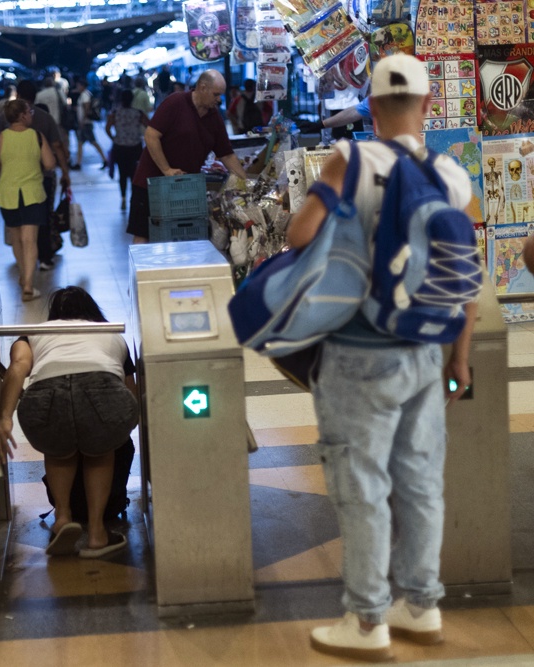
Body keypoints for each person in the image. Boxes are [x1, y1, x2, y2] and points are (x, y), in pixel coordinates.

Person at [285, 54, 477, 663]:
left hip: (357, 353)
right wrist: (460, 359)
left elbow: (297, 235)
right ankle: (421, 605)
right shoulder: (451, 174)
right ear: (426, 106)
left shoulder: (352, 160)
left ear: (370, 108)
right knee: (420, 481)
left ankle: (367, 619)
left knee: (361, 484)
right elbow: (466, 279)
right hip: (425, 351)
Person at [0, 286, 138, 558]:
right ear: (92, 311)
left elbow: (18, 367)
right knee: (100, 452)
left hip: (46, 394)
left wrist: (4, 418)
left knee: (58, 451)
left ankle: (62, 517)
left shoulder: (35, 334)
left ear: (54, 314)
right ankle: (96, 535)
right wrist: (114, 428)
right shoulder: (110, 332)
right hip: (102, 387)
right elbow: (131, 393)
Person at [126, 70, 249, 244]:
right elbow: (151, 135)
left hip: (183, 188)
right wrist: (166, 170)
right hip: (150, 184)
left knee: (180, 237)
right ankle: (141, 272)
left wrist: (247, 183)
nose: (219, 99)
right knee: (143, 234)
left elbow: (226, 154)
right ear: (202, 87)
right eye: (216, 94)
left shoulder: (214, 118)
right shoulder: (175, 102)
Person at [0, 99, 56, 302]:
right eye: (29, 111)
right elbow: (49, 164)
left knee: (16, 239)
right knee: (30, 239)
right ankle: (29, 285)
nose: (31, 115)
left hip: (8, 194)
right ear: (22, 115)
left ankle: (24, 275)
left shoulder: (0, 138)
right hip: (33, 193)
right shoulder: (36, 136)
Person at [0, 80, 72, 271]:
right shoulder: (45, 118)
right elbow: (58, 147)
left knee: (18, 224)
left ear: (18, 94)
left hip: (11, 179)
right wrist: (65, 172)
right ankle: (44, 256)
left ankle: (24, 264)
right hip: (43, 177)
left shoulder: (7, 119)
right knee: (43, 217)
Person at [105, 88, 149, 211]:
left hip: (120, 147)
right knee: (135, 174)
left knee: (122, 174)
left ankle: (123, 198)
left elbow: (107, 128)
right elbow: (150, 126)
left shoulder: (115, 113)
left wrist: (114, 138)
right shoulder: (138, 113)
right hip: (135, 148)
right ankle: (134, 199)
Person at [73, 78, 108, 170]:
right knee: (81, 143)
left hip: (86, 123)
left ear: (82, 86)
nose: (77, 87)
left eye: (78, 85)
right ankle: (78, 163)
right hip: (85, 123)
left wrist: (83, 121)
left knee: (93, 142)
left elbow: (86, 109)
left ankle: (105, 160)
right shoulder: (85, 94)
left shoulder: (85, 95)